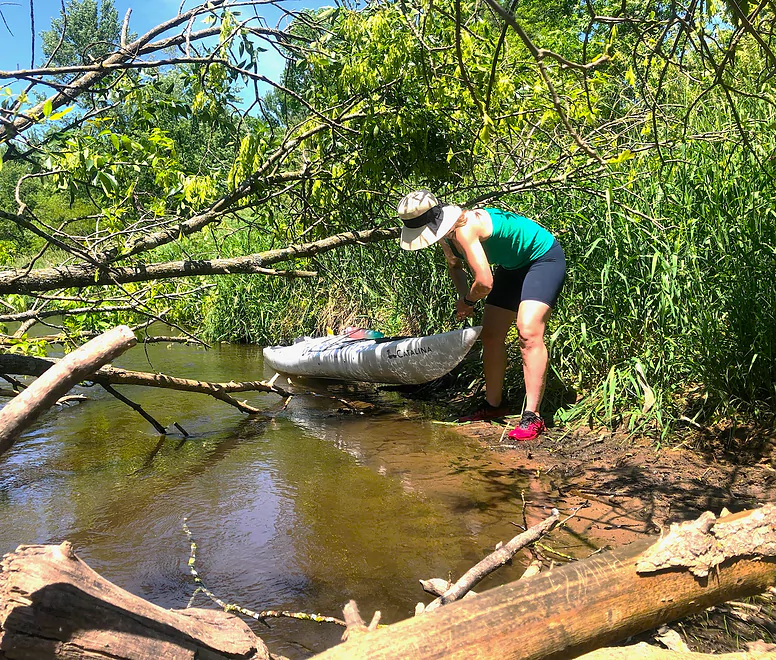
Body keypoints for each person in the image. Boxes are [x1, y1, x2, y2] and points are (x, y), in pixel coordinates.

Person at [396, 190, 566, 440]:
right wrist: (465, 299)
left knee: (528, 331)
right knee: (491, 336)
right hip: (513, 267)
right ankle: (495, 405)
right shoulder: (445, 235)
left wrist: (467, 301)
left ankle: (533, 416)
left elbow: (485, 282)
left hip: (543, 259)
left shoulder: (465, 229)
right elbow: (455, 265)